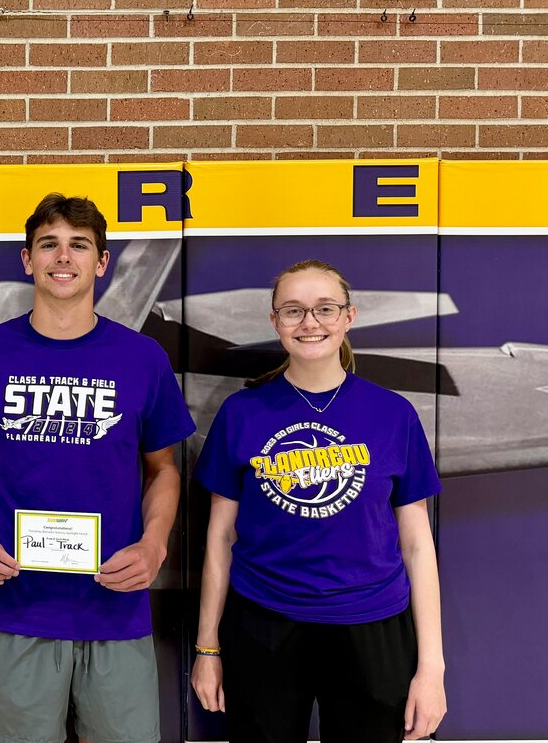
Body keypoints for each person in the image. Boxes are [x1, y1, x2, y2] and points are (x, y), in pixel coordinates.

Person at [0, 193, 196, 743]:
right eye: (48, 244)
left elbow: (163, 469)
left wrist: (154, 545)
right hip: (15, 605)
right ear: (27, 259)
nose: (63, 257)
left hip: (114, 605)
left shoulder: (142, 358)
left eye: (79, 245)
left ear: (101, 262)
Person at [190, 259, 447, 743]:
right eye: (293, 310)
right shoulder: (241, 413)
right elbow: (220, 537)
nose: (310, 322)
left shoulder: (393, 414)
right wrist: (207, 649)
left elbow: (417, 545)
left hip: (372, 625)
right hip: (263, 622)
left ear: (349, 317)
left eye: (325, 309)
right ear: (275, 321)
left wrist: (432, 668)